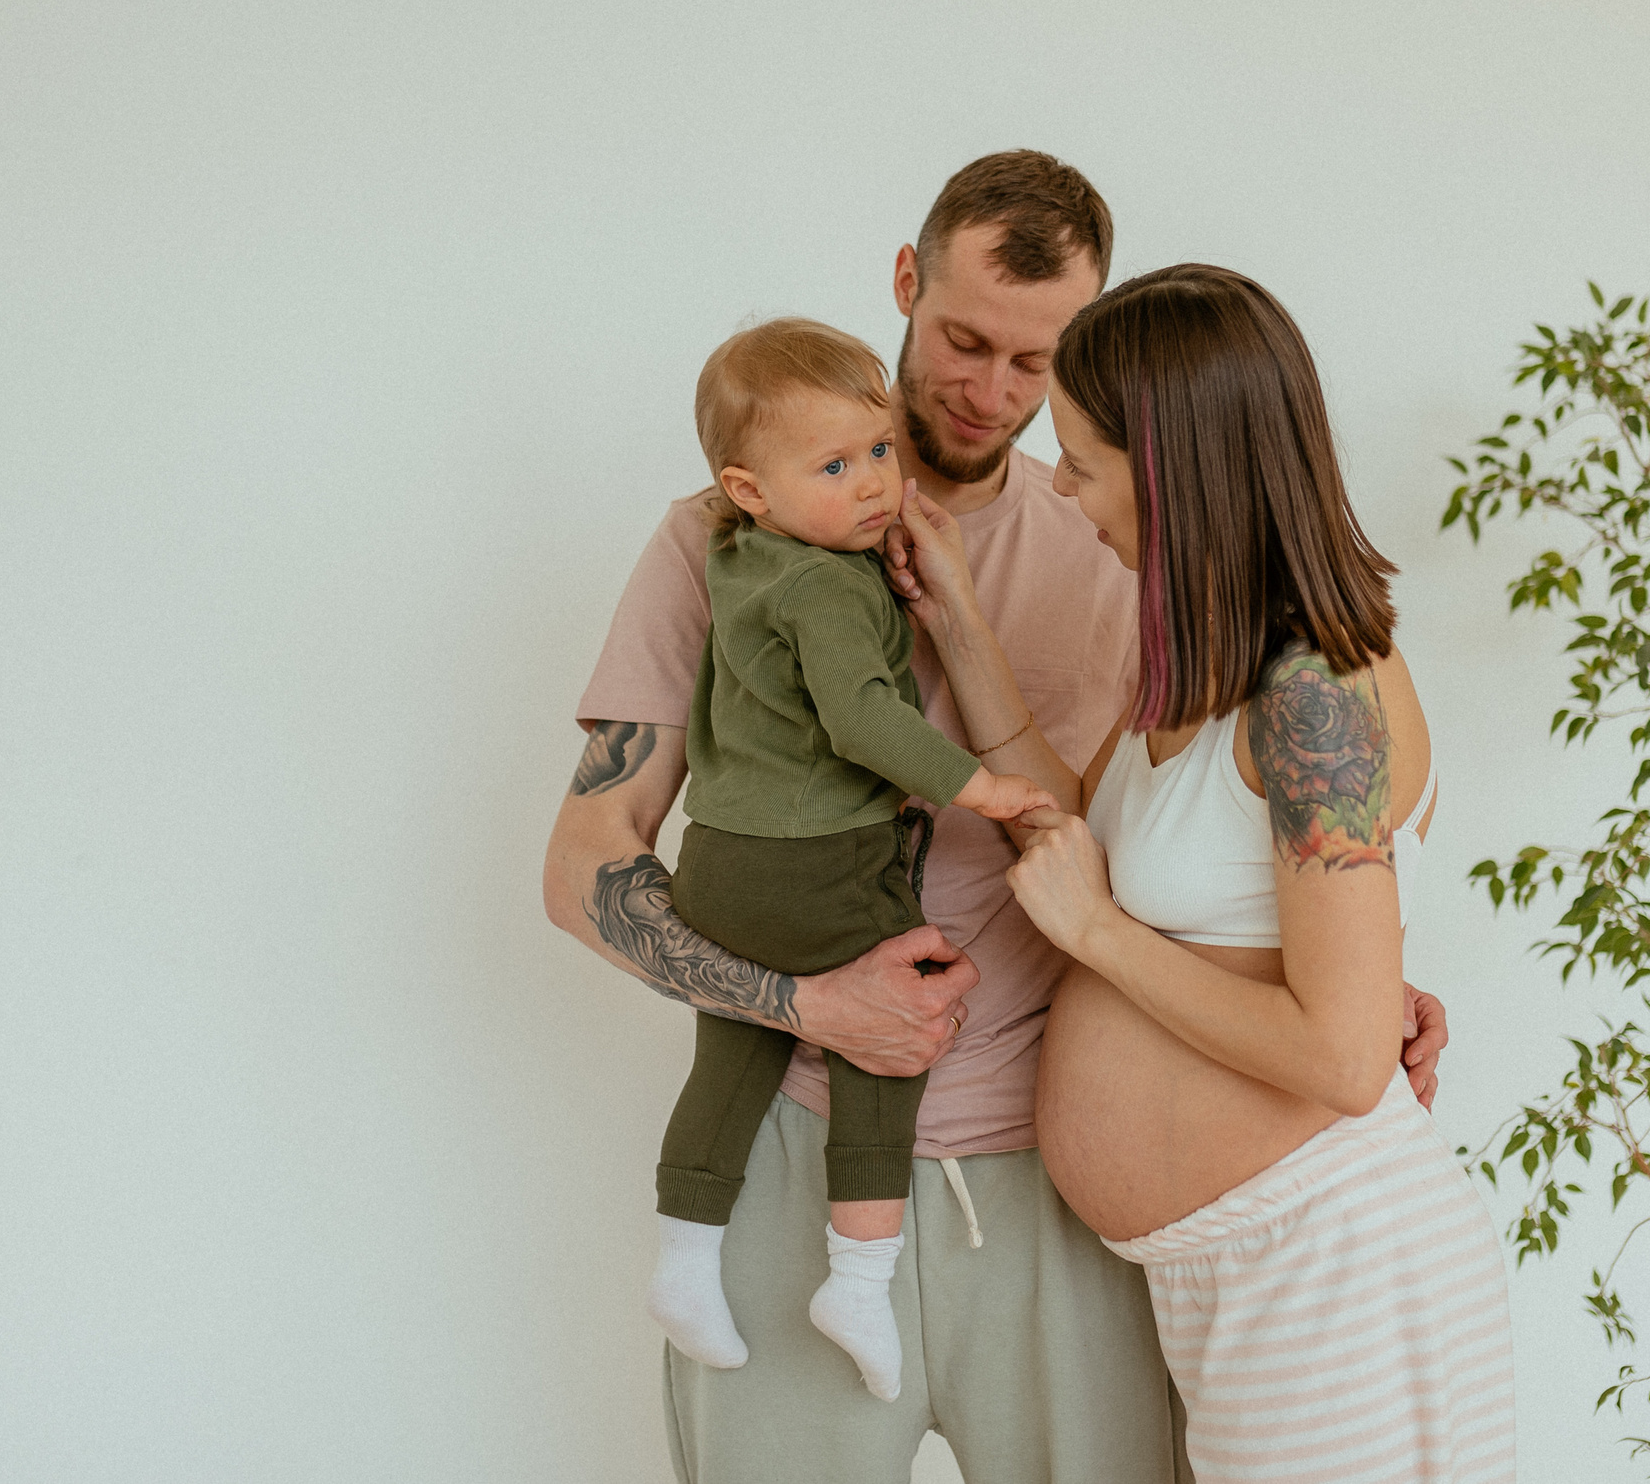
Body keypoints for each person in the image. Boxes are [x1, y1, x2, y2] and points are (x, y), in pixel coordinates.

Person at [541, 151, 1451, 1484]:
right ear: (905, 284)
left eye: (1038, 364)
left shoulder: (1125, 540)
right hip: (791, 1158)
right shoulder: (722, 541)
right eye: (967, 341)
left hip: (1063, 1197)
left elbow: (1189, 843)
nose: (993, 391)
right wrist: (806, 1005)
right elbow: (582, 864)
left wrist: (1336, 971)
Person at [890, 264, 1517, 1483]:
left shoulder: (1313, 692)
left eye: (1081, 461)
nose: (1058, 487)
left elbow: (1343, 1057)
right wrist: (959, 619)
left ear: (1171, 469)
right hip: (1237, 1274)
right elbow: (1082, 839)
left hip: (1335, 1271)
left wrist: (1097, 936)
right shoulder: (1202, 659)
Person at [643, 317, 1054, 1402]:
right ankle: (859, 1278)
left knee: (733, 1051)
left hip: (719, 864)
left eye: (878, 448)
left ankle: (684, 1258)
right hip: (818, 864)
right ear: (748, 488)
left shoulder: (738, 555)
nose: (874, 482)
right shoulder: (825, 586)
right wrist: (978, 786)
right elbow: (863, 718)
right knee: (895, 1023)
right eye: (834, 467)